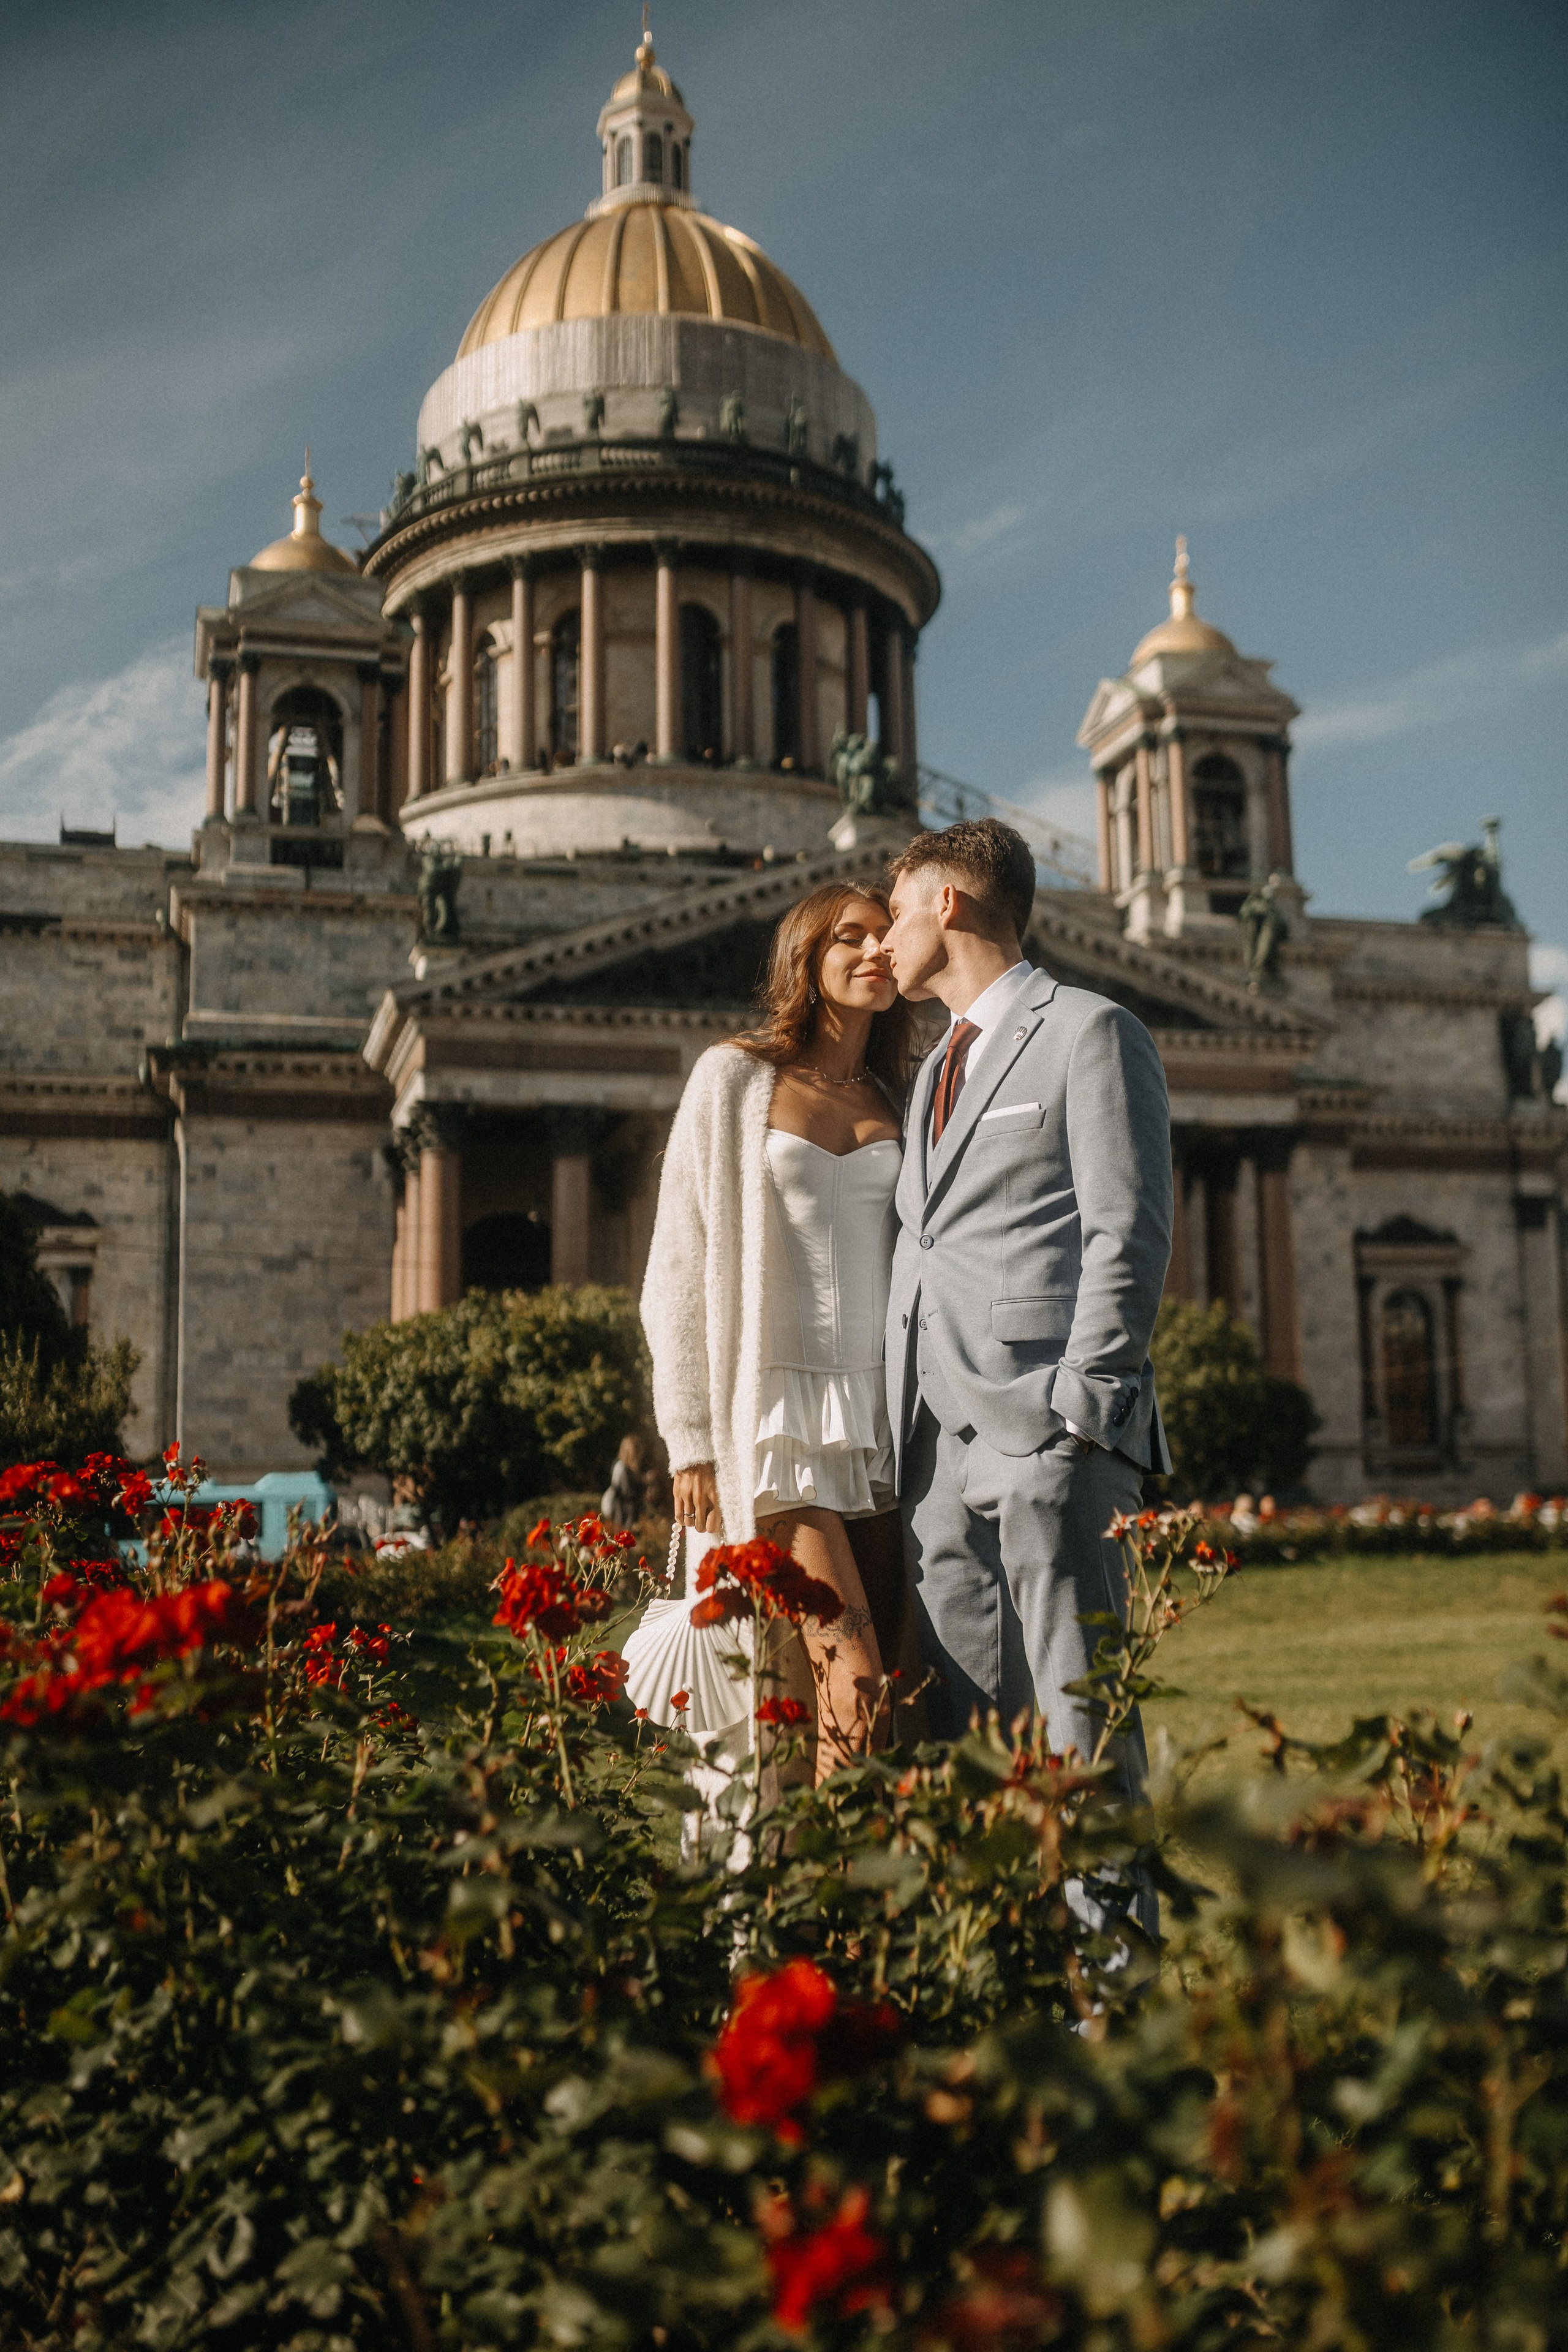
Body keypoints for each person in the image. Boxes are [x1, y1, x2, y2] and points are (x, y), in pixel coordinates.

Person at [880, 820, 1172, 1878]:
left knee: (1080, 1738)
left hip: (1045, 1442)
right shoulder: (930, 1074)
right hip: (936, 1458)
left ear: (948, 904)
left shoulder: (1089, 1032)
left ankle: (1114, 2001)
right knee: (978, 1744)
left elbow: (1127, 1229)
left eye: (897, 907)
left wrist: (1077, 1417)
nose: (884, 936)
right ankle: (1020, 1993)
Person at [639, 883, 918, 1781]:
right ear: (808, 957)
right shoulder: (733, 1078)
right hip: (773, 1418)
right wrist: (688, 1437)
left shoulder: (899, 1091)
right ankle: (843, 1900)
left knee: (854, 1693)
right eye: (852, 937)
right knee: (857, 1681)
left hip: (878, 1414)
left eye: (888, 936)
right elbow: (678, 1260)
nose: (875, 951)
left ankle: (833, 1908)